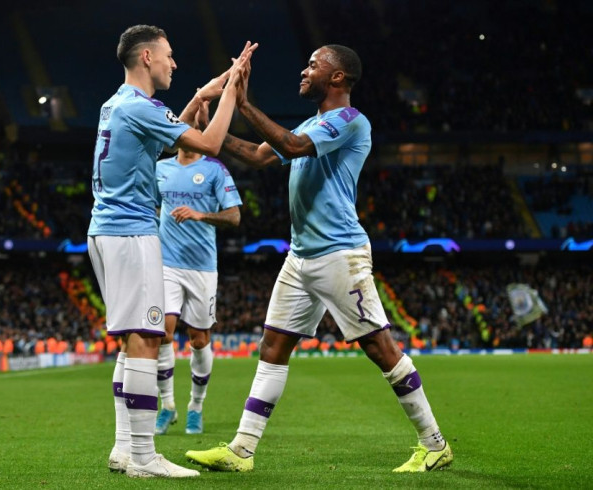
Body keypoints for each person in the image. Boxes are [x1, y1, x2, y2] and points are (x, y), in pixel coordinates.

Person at [185, 44, 453, 473]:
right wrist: (206, 137)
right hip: (301, 255)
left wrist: (244, 102)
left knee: (380, 348)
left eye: (314, 64)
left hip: (339, 253)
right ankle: (241, 450)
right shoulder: (314, 122)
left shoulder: (349, 120)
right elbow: (258, 155)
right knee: (272, 347)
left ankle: (434, 443)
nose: (304, 70)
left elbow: (291, 147)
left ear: (338, 78)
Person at [86, 24, 256, 478]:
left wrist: (205, 90)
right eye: (169, 55)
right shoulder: (139, 106)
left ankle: (125, 448)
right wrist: (229, 94)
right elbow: (208, 143)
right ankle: (144, 455)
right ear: (146, 57)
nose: (173, 63)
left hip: (105, 231)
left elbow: (166, 132)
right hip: (130, 233)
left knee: (131, 342)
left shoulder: (116, 104)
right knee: (146, 338)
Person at [153, 137, 242, 436]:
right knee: (162, 331)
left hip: (202, 267)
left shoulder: (215, 169)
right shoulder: (160, 169)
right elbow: (152, 207)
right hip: (166, 263)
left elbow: (234, 216)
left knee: (200, 340)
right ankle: (167, 406)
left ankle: (195, 406)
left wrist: (200, 214)